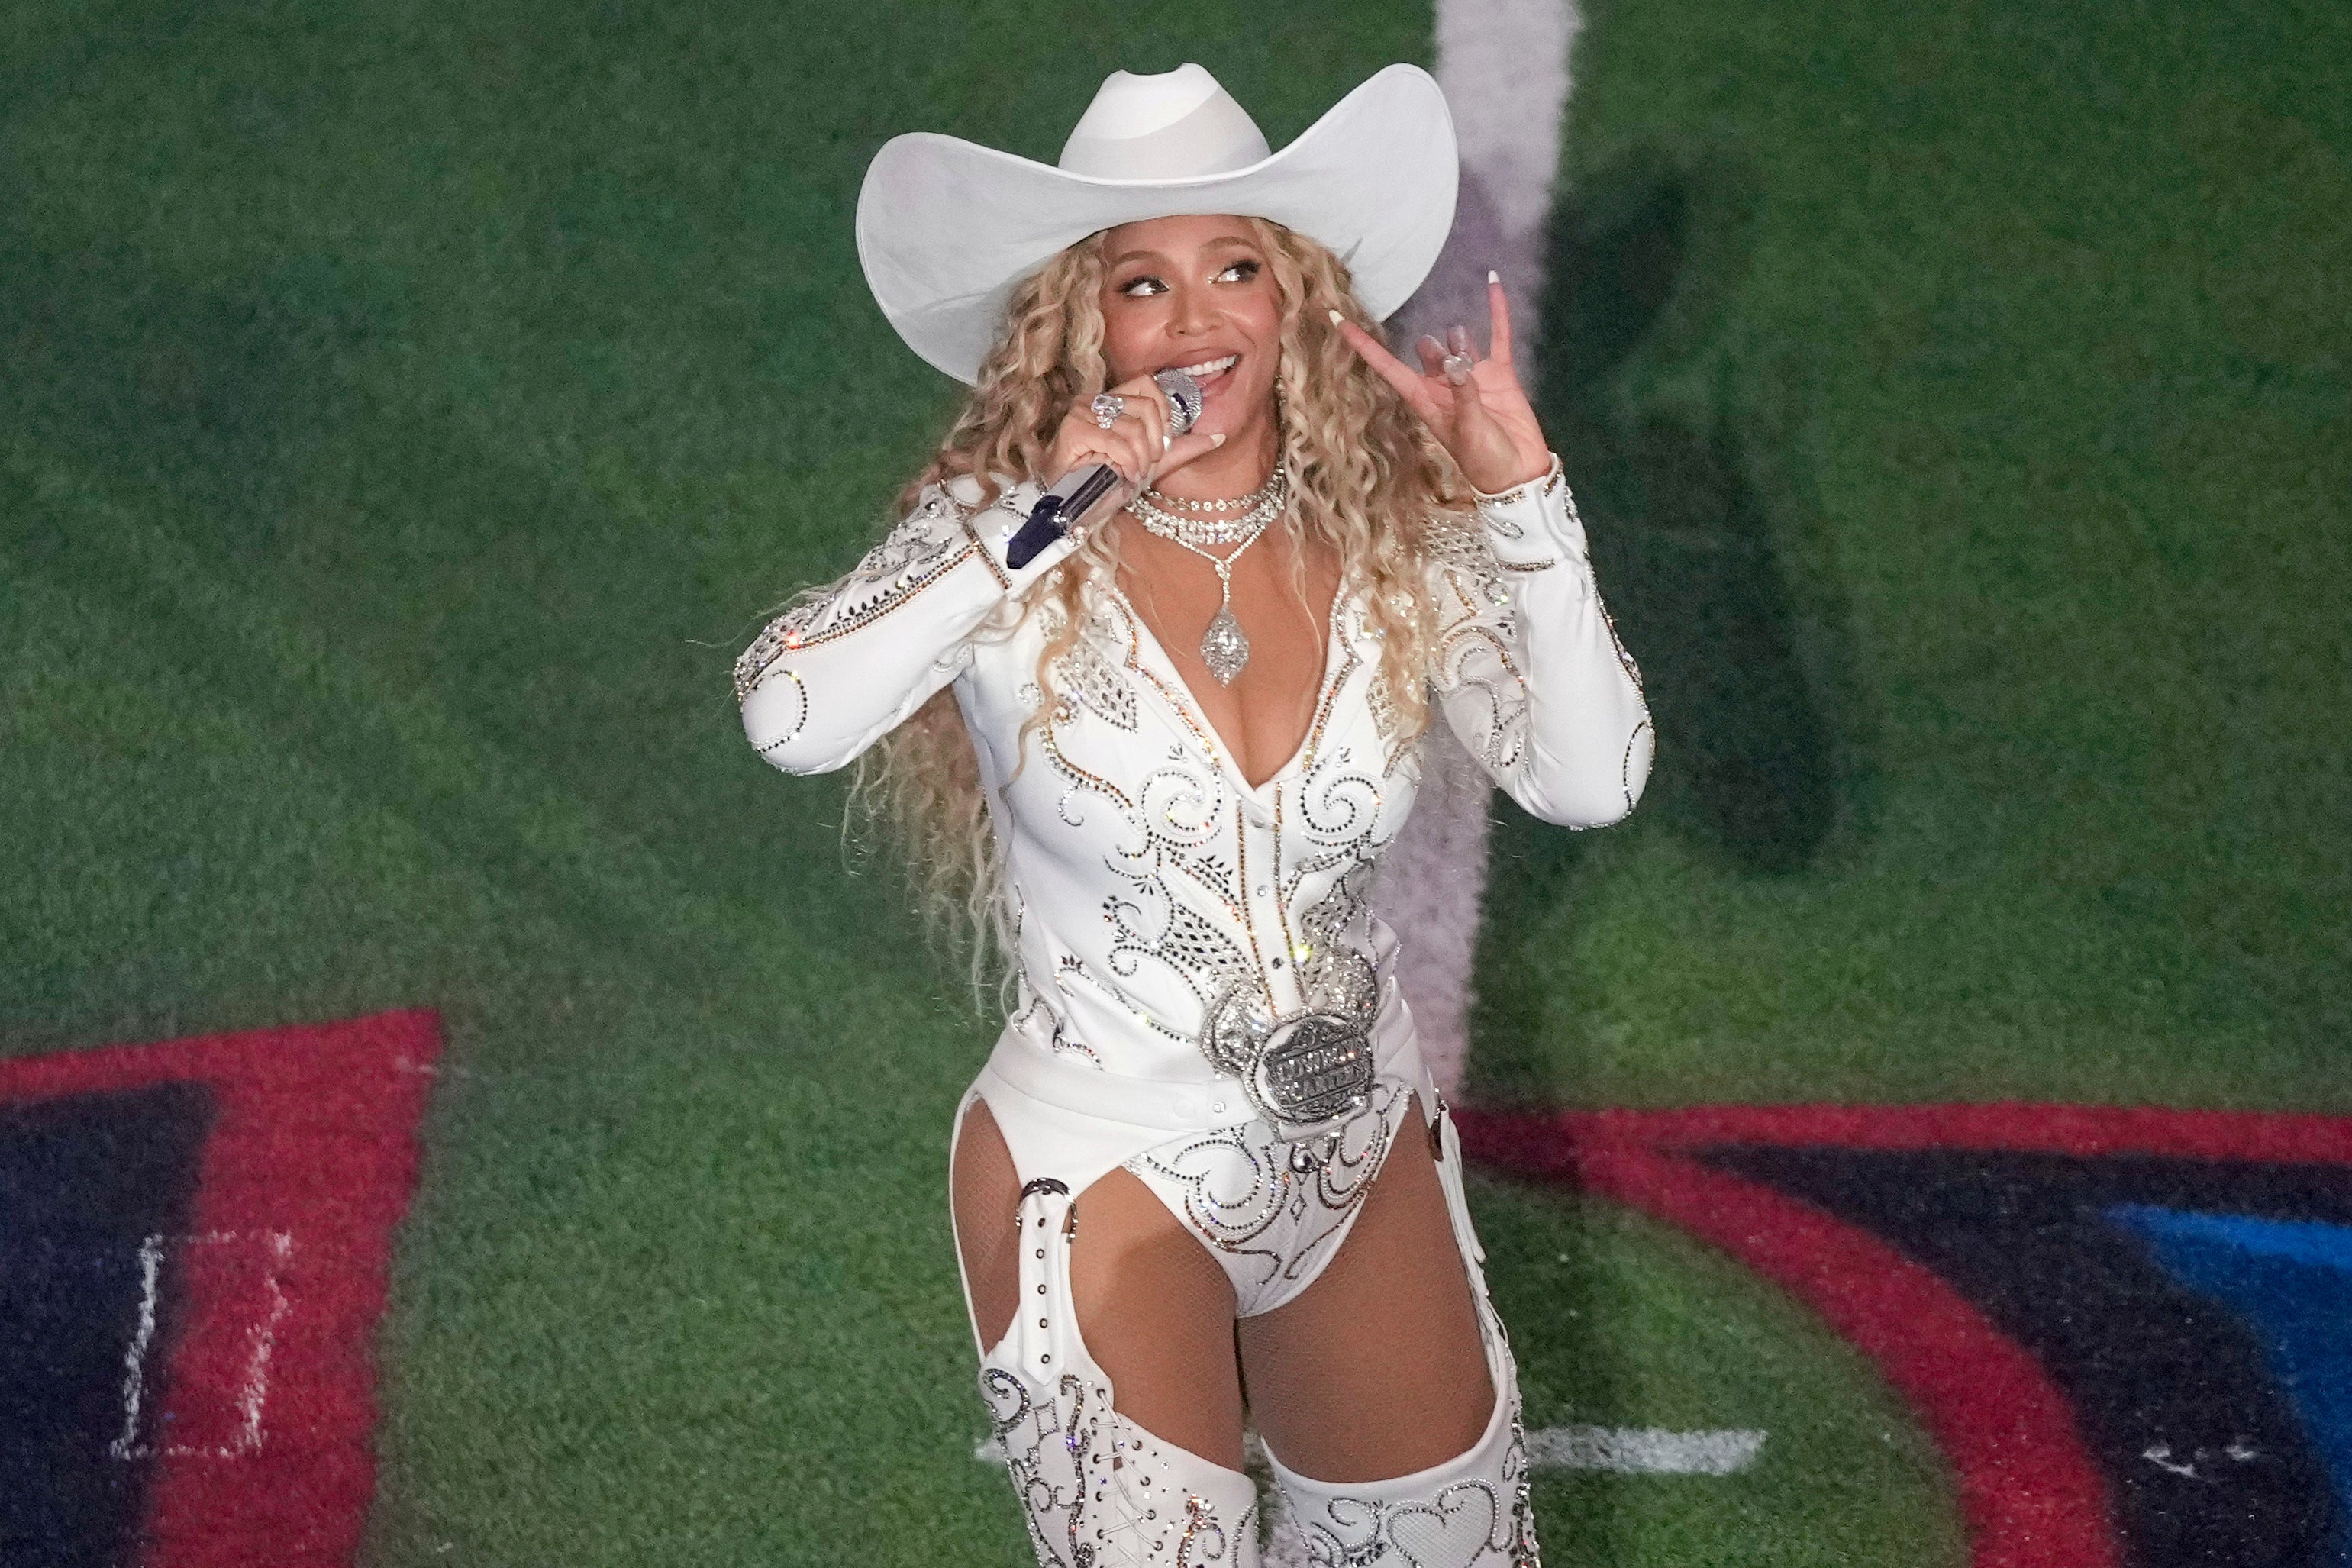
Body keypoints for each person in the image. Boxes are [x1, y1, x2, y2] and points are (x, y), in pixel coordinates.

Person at [736, 62, 1651, 1568]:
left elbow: (1590, 777)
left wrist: (1521, 506)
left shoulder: (1392, 540)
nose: (1197, 318)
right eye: (1142, 283)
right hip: (1099, 1182)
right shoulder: (1002, 535)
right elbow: (789, 710)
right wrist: (1039, 519)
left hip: (1355, 1164)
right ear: (1084, 327)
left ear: (1293, 299)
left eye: (1236, 266)